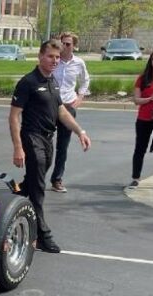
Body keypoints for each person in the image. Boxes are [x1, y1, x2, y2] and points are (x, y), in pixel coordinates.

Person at [9, 39, 91, 253]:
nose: (54, 60)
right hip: (32, 138)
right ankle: (42, 235)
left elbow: (61, 111)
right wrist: (18, 147)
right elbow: (14, 116)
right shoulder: (28, 82)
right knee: (38, 188)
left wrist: (79, 131)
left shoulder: (53, 81)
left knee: (33, 180)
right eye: (50, 56)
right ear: (40, 56)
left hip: (47, 138)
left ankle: (11, 196)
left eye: (57, 57)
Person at [50, 31, 90, 193]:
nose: (65, 46)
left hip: (68, 106)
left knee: (62, 146)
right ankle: (34, 178)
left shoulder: (79, 63)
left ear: (74, 46)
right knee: (44, 144)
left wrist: (79, 98)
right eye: (63, 43)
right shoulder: (54, 60)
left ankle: (57, 179)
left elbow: (85, 80)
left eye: (68, 44)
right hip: (51, 106)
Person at [129, 53, 153, 189]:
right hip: (144, 119)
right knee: (140, 149)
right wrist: (149, 99)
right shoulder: (143, 79)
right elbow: (136, 100)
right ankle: (135, 177)